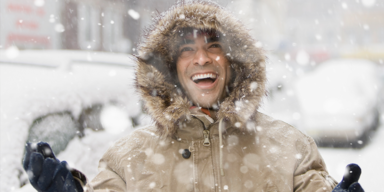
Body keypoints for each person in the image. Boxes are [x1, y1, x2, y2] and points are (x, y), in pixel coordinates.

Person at [23, 1, 364, 192]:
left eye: (213, 45)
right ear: (170, 69)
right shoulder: (129, 157)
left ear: (233, 61)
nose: (202, 58)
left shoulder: (289, 147)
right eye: (187, 49)